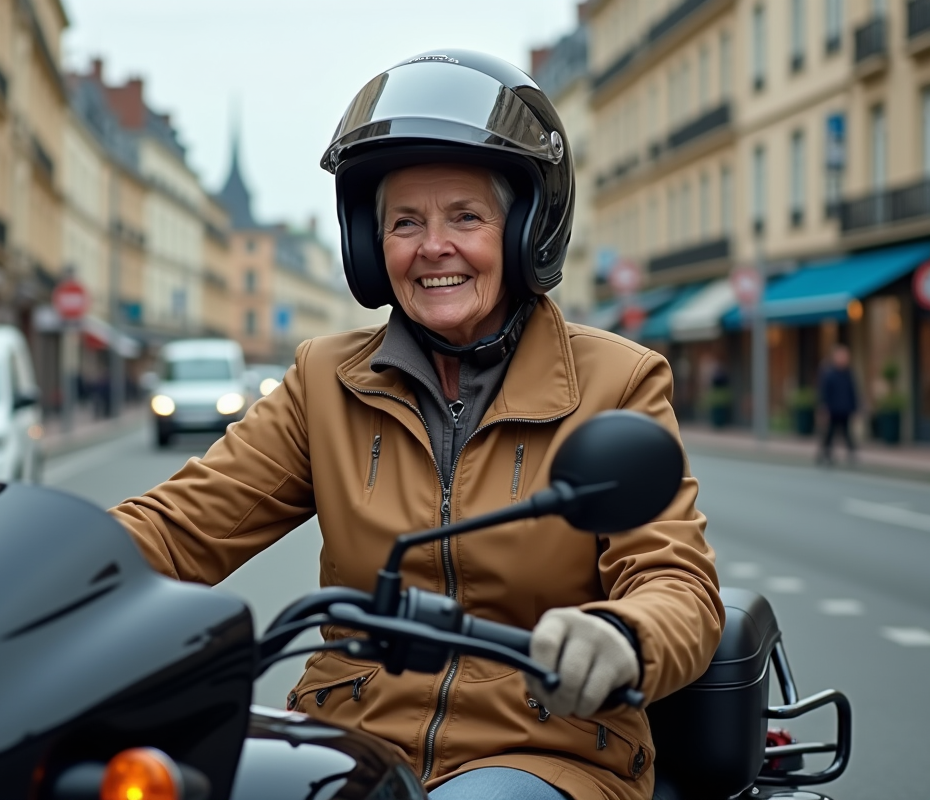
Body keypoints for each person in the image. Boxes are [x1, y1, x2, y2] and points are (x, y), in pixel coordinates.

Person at [109, 51, 723, 800]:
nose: (433, 246)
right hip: (349, 744)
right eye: (406, 222)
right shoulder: (325, 380)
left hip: (542, 747)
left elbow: (675, 581)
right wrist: (43, 572)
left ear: (527, 230)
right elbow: (179, 527)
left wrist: (621, 636)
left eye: (465, 216)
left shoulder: (615, 381)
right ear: (372, 246)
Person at [817, 344, 858, 464]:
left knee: (847, 432)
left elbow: (853, 391)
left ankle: (851, 453)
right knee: (830, 432)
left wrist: (855, 407)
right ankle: (825, 453)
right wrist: (824, 407)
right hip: (833, 409)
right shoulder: (829, 374)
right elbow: (824, 392)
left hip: (845, 409)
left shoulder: (848, 373)